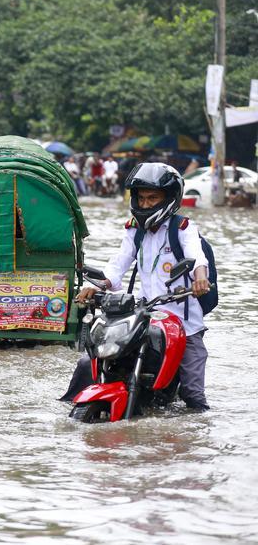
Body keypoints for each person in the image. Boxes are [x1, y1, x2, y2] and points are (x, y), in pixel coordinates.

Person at [64, 163, 212, 410]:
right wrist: (99, 286)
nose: (145, 204)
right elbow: (119, 263)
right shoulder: (134, 230)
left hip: (183, 321)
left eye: (152, 198)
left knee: (193, 394)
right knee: (95, 359)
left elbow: (197, 257)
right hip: (146, 313)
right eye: (141, 198)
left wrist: (200, 278)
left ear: (170, 198)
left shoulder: (182, 228)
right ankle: (73, 404)